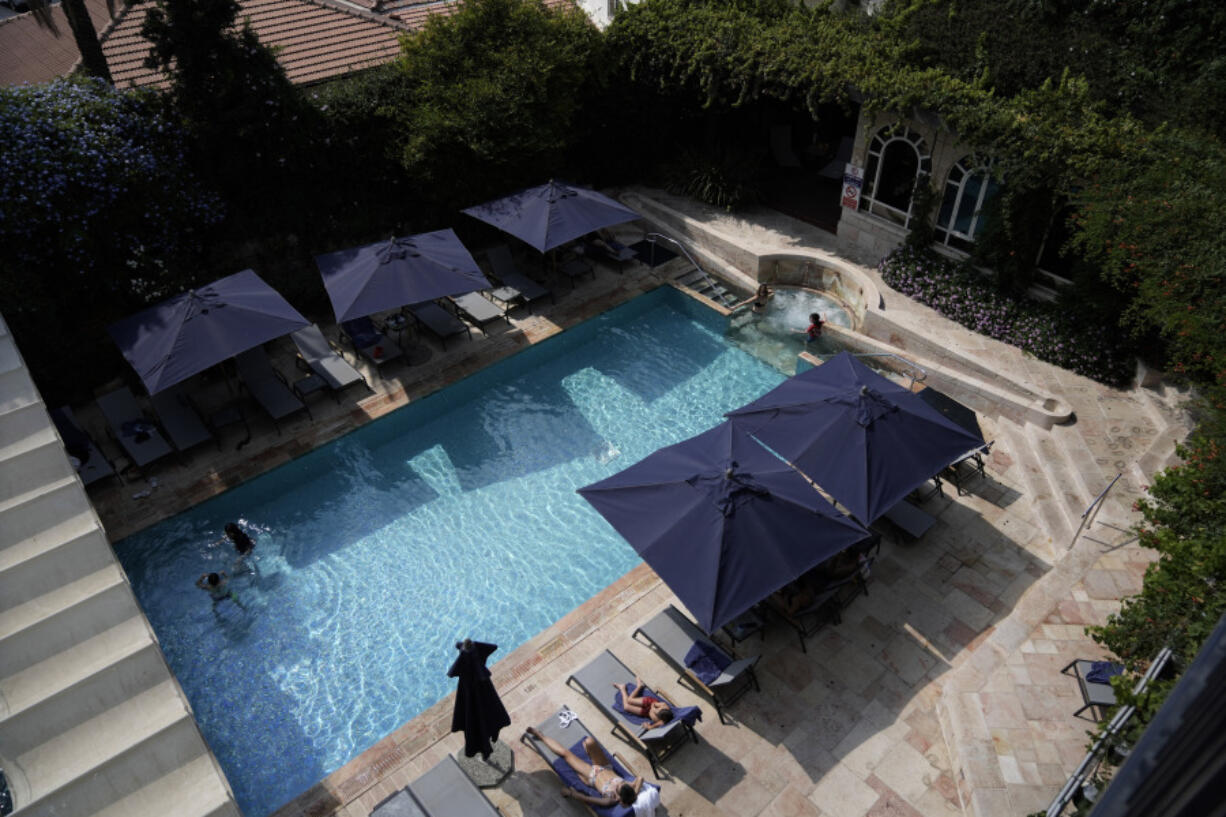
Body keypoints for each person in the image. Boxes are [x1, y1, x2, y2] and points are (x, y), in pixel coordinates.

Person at [525, 726, 660, 816]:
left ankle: (540, 735)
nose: (618, 785)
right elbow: (641, 778)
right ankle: (589, 753)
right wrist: (634, 794)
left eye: (618, 788)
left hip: (591, 775)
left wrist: (570, 793)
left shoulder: (609, 800)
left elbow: (586, 798)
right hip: (604, 767)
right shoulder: (627, 787)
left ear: (619, 799)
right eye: (621, 785)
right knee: (589, 741)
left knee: (565, 754)